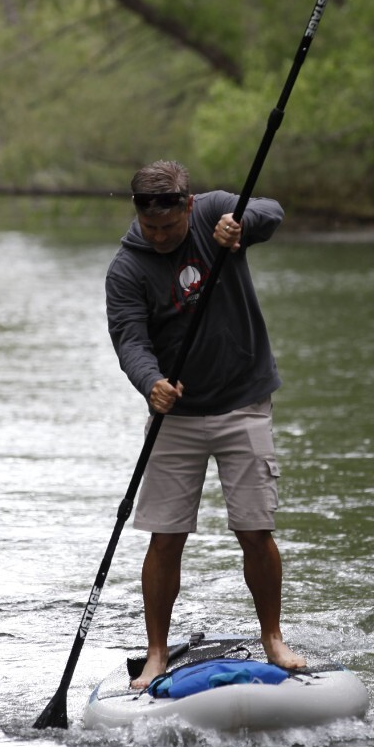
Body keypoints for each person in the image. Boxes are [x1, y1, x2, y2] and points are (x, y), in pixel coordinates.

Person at [105, 159, 307, 689]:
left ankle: (273, 638)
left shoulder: (215, 211)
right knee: (165, 537)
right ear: (138, 215)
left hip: (243, 399)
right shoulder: (126, 268)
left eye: (170, 228)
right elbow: (130, 340)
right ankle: (155, 653)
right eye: (152, 229)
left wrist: (242, 227)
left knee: (255, 530)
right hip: (177, 415)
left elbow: (272, 211)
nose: (162, 237)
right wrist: (151, 382)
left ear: (187, 206)